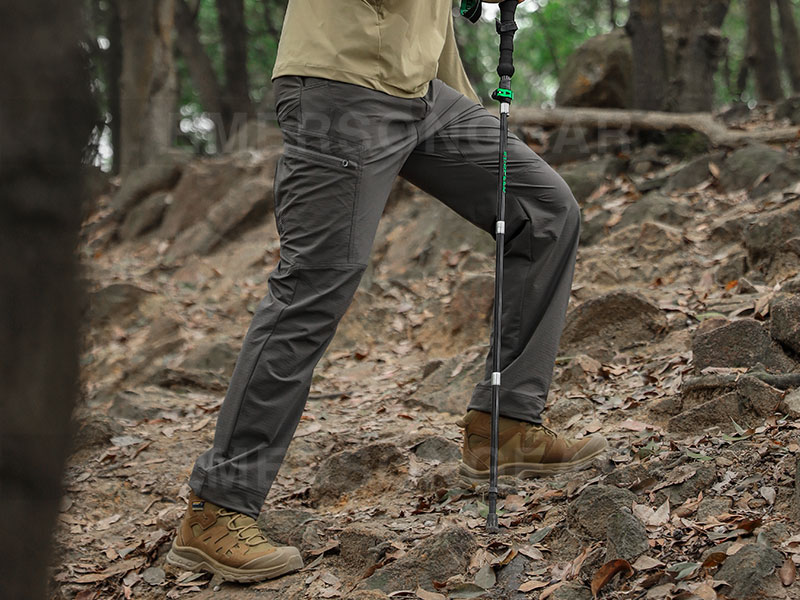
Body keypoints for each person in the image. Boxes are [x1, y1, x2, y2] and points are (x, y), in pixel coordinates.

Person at [166, 0, 608, 583]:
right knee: (314, 288)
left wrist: (458, 93)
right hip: (340, 86)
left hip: (425, 92)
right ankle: (218, 506)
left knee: (545, 212)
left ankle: (506, 425)